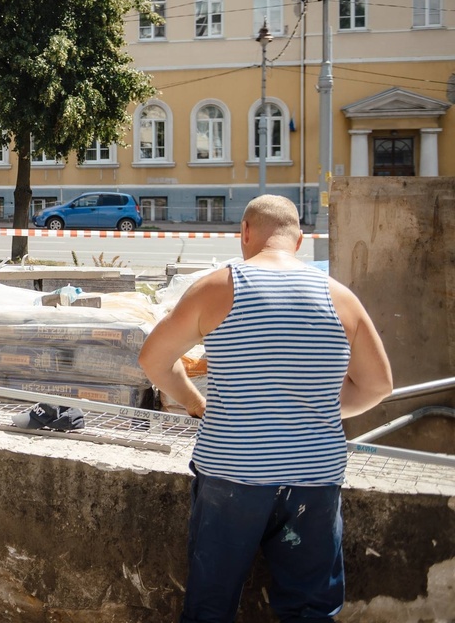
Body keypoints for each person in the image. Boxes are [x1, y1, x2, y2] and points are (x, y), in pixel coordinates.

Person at [138, 194, 393, 623]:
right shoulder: (339, 297)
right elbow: (378, 385)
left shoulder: (218, 287)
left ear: (245, 233)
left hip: (232, 475)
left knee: (210, 606)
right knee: (310, 609)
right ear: (299, 241)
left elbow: (153, 361)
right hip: (314, 478)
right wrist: (318, 411)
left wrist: (197, 403)